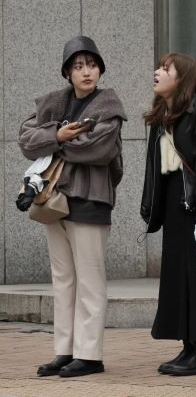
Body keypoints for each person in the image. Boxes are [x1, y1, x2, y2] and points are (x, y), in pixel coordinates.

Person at [18, 35, 126, 378]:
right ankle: (64, 351)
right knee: (63, 278)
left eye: (92, 65)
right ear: (68, 72)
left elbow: (98, 147)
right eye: (78, 66)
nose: (86, 72)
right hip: (53, 200)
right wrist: (58, 135)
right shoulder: (54, 102)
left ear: (100, 69)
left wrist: (54, 140)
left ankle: (90, 355)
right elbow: (25, 139)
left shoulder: (109, 105)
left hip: (91, 200)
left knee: (90, 279)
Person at [141, 53, 196, 376]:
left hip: (194, 208)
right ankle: (190, 346)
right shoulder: (163, 115)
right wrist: (151, 208)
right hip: (174, 208)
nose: (157, 72)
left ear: (182, 78)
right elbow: (157, 169)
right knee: (179, 279)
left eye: (166, 69)